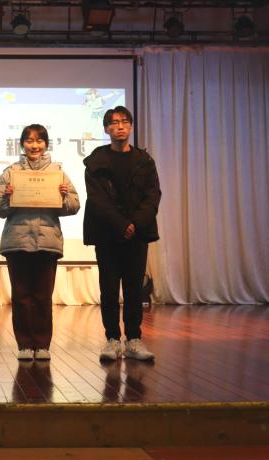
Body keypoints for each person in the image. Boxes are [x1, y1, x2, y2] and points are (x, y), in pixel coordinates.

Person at [0, 124, 80, 361]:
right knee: (21, 297)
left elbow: (74, 205)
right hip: (17, 242)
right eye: (29, 141)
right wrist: (7, 196)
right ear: (22, 144)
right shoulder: (11, 172)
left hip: (47, 242)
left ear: (46, 144)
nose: (34, 145)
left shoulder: (57, 173)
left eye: (39, 141)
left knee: (42, 297)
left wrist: (63, 196)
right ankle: (25, 345)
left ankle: (42, 345)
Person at [83, 106, 161, 361]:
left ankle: (134, 339)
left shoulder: (144, 161)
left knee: (133, 289)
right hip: (107, 234)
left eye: (125, 122)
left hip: (136, 235)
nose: (120, 126)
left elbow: (153, 195)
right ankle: (112, 340)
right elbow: (97, 199)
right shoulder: (96, 161)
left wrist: (135, 224)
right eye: (114, 123)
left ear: (131, 126)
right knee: (108, 289)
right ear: (106, 128)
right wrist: (120, 224)